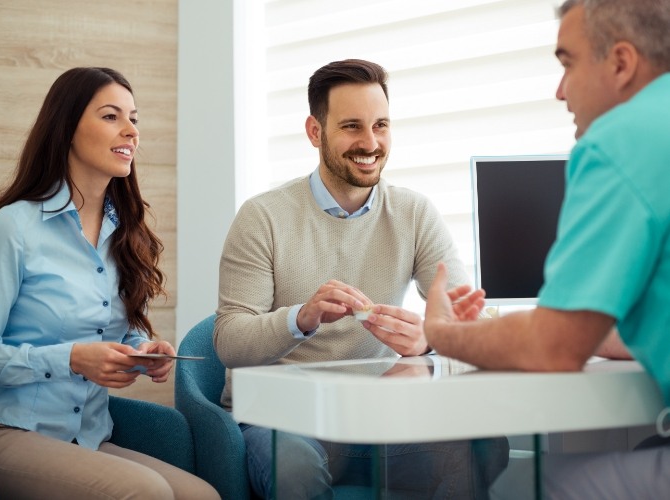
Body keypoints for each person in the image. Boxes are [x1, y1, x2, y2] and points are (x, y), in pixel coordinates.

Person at [215, 59, 508, 499]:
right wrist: (302, 318)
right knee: (295, 469)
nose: (370, 143)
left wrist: (431, 339)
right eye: (352, 126)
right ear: (315, 132)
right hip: (288, 420)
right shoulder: (263, 217)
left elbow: (471, 317)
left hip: (375, 420)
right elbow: (229, 342)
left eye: (381, 125)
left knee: (483, 447)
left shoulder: (413, 213)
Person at [422, 0, 670, 498]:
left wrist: (442, 333)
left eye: (568, 64)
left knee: (519, 483)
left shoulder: (620, 141)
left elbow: (554, 348)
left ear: (621, 63)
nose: (560, 91)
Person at [0, 67, 219, 500]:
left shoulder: (127, 234)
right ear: (68, 128)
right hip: (0, 432)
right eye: (111, 116)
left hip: (86, 437)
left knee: (202, 495)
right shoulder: (13, 228)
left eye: (134, 118)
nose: (131, 130)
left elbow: (124, 331)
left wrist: (141, 351)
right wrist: (73, 359)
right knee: (146, 493)